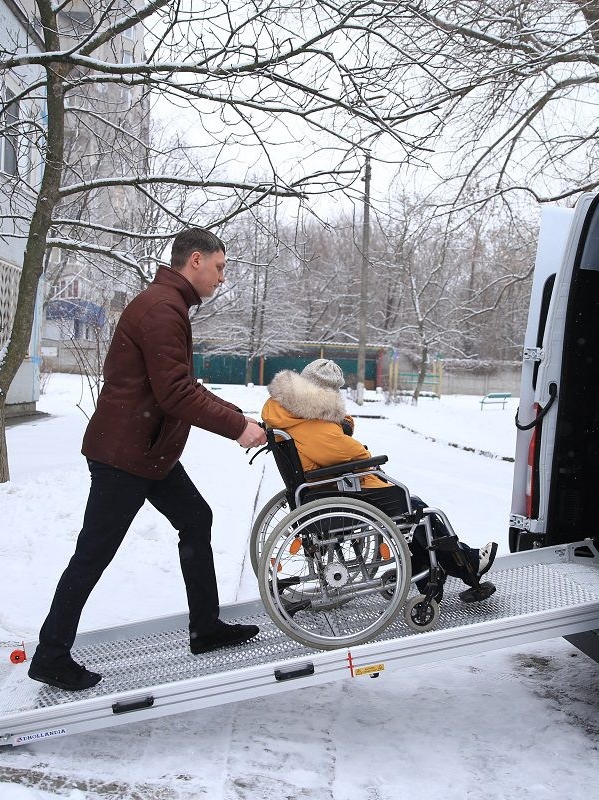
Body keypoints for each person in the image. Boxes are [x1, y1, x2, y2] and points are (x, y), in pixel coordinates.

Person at [29, 228, 268, 692]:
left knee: (196, 519)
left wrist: (238, 415)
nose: (221, 278)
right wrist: (238, 428)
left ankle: (206, 628)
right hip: (126, 455)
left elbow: (178, 386)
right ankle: (50, 654)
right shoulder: (162, 308)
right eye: (219, 268)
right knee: (93, 554)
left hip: (146, 450)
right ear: (194, 260)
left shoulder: (168, 304)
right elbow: (176, 393)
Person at [260, 359, 497, 602]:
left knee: (414, 510)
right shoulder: (311, 423)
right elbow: (355, 454)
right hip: (335, 494)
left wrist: (338, 423)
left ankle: (428, 575)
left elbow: (334, 441)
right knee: (419, 512)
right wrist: (360, 450)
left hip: (323, 490)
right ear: (325, 392)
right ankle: (464, 564)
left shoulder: (288, 413)